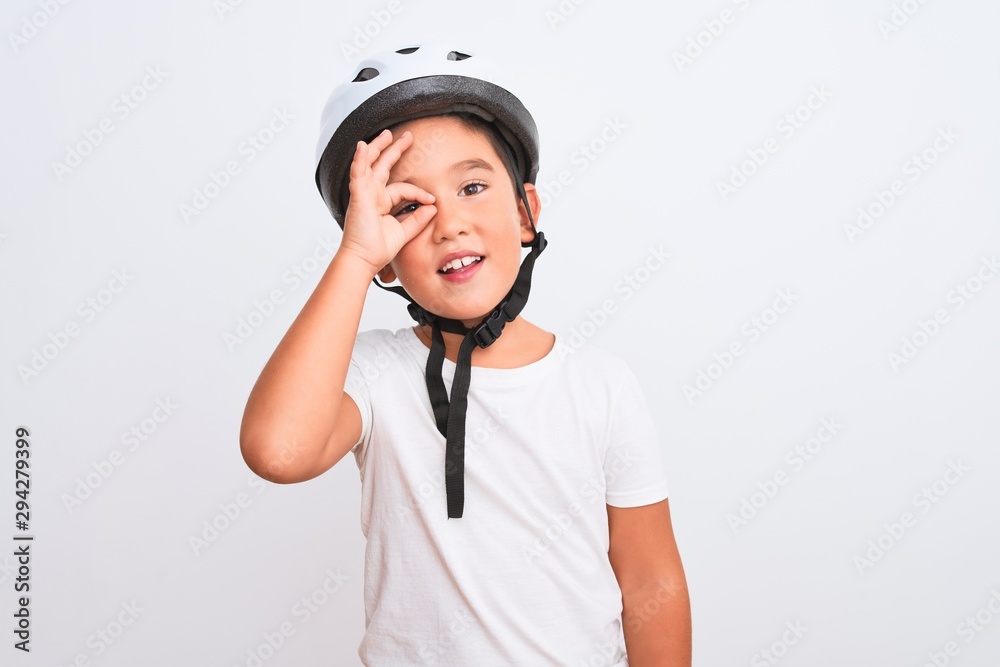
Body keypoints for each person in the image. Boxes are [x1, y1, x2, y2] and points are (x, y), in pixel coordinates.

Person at [240, 42, 691, 666]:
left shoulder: (600, 385)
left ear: (527, 212)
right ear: (387, 257)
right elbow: (278, 452)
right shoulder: (374, 374)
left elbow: (651, 580)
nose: (449, 222)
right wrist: (354, 258)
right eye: (406, 208)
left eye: (473, 186)